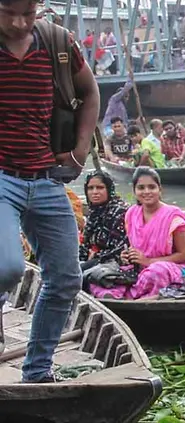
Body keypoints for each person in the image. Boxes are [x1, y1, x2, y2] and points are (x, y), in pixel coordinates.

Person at [0, 0, 99, 380]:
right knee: (8, 267)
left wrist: (81, 150)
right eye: (8, 12)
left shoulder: (57, 42)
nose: (19, 22)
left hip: (46, 177)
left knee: (66, 280)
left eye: (27, 13)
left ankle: (37, 371)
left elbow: (89, 92)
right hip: (2, 177)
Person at [89, 168, 185, 300]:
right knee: (98, 275)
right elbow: (136, 247)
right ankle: (119, 295)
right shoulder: (131, 214)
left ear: (160, 189)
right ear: (134, 191)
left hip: (175, 267)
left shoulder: (173, 218)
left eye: (152, 187)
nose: (146, 192)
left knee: (156, 272)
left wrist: (149, 261)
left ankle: (132, 296)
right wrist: (127, 256)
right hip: (141, 267)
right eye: (141, 188)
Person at [79, 171, 129, 269]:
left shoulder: (120, 212)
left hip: (113, 260)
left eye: (100, 188)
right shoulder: (93, 213)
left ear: (109, 189)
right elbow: (85, 243)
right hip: (94, 258)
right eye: (90, 188)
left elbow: (121, 247)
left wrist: (96, 255)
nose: (95, 192)